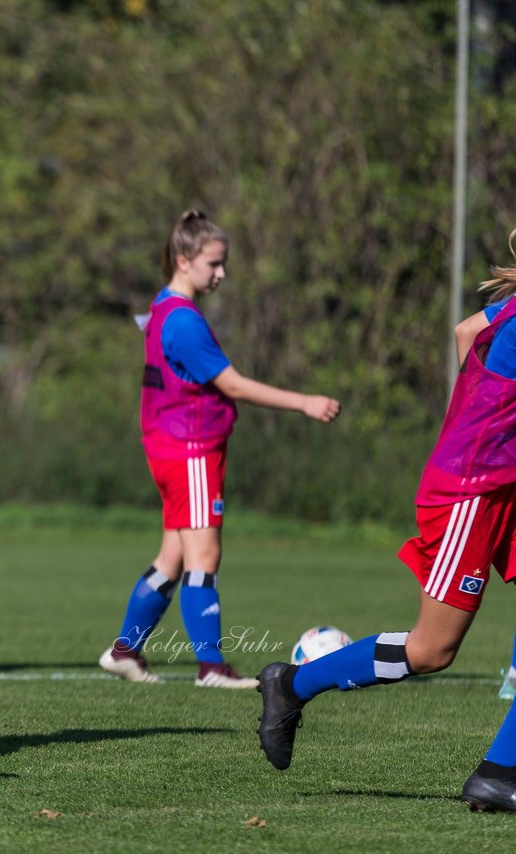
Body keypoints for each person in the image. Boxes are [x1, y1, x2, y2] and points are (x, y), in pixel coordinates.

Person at [258, 230, 516, 811]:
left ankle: (501, 771)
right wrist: (481, 430)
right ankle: (291, 684)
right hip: (472, 492)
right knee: (431, 651)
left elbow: (466, 332)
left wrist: (482, 414)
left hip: (496, 483)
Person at [99, 210, 341, 688]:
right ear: (185, 260)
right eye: (214, 263)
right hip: (189, 449)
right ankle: (211, 666)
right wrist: (304, 402)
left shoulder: (162, 307)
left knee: (173, 556)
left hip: (170, 446)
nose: (222, 273)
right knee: (203, 556)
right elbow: (233, 384)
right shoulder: (184, 321)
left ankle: (125, 651)